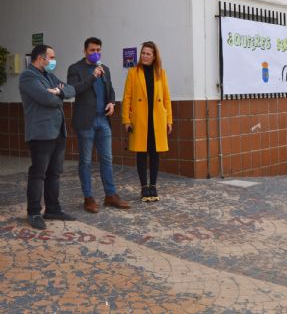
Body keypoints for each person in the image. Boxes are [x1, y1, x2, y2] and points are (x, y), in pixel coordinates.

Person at [67, 38, 129, 213]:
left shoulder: (105, 69)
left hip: (103, 119)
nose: (96, 53)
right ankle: (88, 198)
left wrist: (112, 102)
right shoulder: (75, 68)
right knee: (85, 161)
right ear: (85, 51)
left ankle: (110, 195)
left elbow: (111, 90)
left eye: (98, 50)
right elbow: (73, 90)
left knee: (107, 159)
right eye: (92, 50)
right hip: (86, 121)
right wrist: (92, 76)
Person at [19, 45, 76, 230]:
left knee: (55, 172)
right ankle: (34, 212)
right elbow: (46, 99)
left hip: (58, 131)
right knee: (38, 173)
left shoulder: (49, 76)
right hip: (41, 134)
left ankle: (53, 209)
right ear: (40, 58)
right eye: (51, 57)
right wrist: (57, 96)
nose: (53, 60)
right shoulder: (28, 76)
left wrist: (58, 91)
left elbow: (71, 90)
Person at [122, 41, 173, 202]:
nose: (144, 56)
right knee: (141, 154)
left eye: (148, 54)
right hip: (140, 119)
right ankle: (144, 187)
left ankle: (154, 186)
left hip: (157, 119)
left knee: (155, 153)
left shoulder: (161, 73)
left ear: (154, 56)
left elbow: (166, 98)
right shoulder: (133, 72)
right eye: (143, 53)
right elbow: (127, 97)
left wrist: (169, 120)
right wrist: (126, 120)